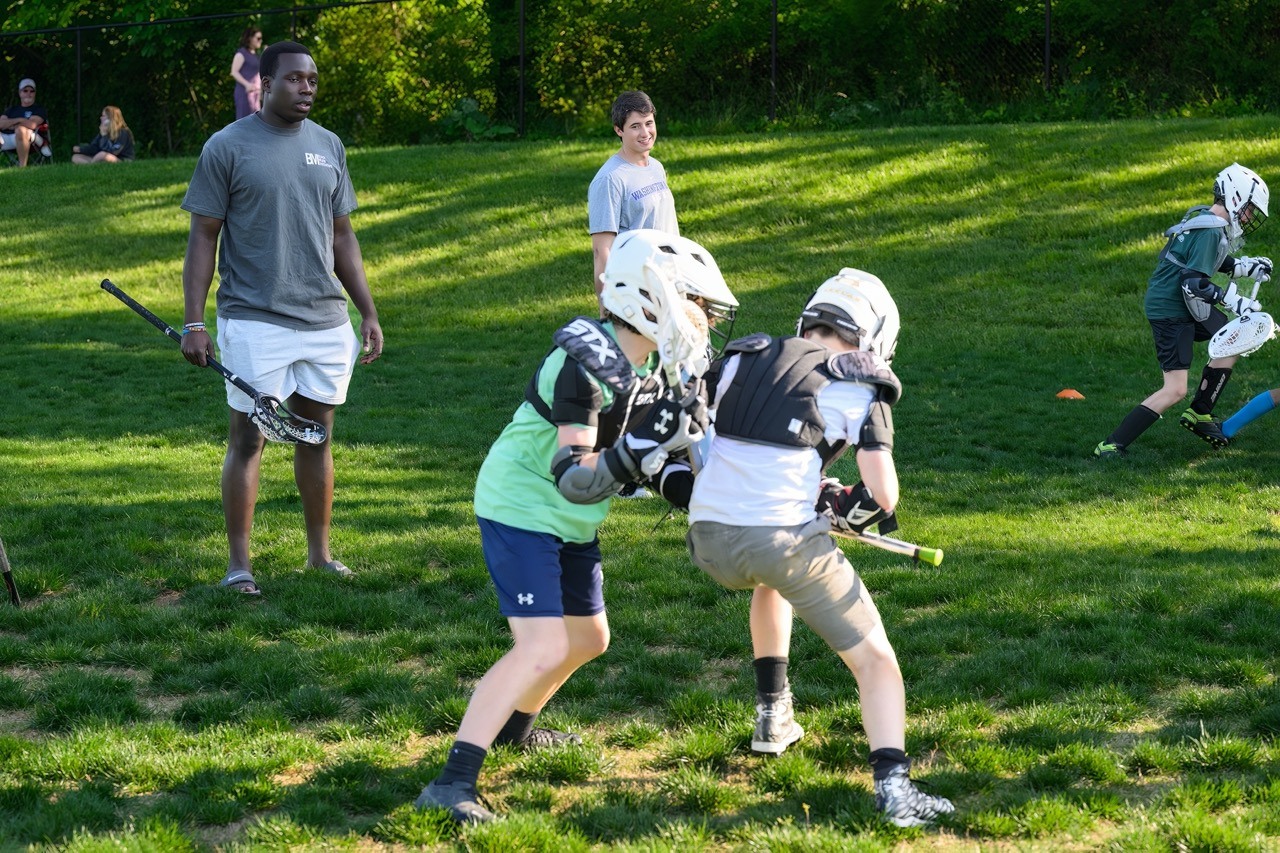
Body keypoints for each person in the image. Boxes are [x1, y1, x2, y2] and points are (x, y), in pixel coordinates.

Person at [413, 230, 727, 825]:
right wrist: (634, 456)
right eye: (697, 304)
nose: (705, 319)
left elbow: (652, 463)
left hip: (572, 519)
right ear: (650, 299)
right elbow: (573, 474)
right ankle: (452, 781)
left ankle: (516, 732)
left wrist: (697, 491)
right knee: (543, 645)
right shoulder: (581, 364)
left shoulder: (656, 366)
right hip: (523, 506)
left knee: (587, 639)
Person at [685, 269, 956, 828]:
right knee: (877, 660)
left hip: (707, 536)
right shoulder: (858, 382)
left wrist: (811, 495)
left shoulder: (744, 355)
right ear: (873, 337)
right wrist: (842, 509)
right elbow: (882, 496)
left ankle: (772, 716)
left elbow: (711, 447)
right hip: (780, 540)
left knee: (769, 582)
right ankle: (896, 792)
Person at [179, 41, 383, 596]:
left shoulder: (329, 147)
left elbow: (343, 236)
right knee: (249, 439)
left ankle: (320, 556)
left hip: (324, 319)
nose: (307, 88)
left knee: (316, 435)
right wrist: (194, 321)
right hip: (254, 318)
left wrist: (366, 310)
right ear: (264, 84)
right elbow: (203, 236)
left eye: (312, 79)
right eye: (295, 79)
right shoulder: (226, 146)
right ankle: (239, 567)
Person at [1093, 163, 1271, 458]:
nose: (1250, 216)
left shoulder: (1207, 221)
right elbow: (1193, 283)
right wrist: (1233, 300)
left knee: (1234, 339)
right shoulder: (1210, 230)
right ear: (1237, 197)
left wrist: (1244, 267)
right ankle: (1111, 444)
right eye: (1250, 208)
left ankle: (1200, 414)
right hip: (1171, 308)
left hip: (1184, 303)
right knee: (1175, 389)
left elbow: (1206, 259)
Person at [588, 91, 678, 312]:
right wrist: (609, 308)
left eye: (649, 123)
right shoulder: (610, 179)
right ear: (619, 130)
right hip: (635, 289)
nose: (645, 132)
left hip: (669, 279)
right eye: (635, 126)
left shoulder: (655, 167)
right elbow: (602, 251)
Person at [0, 78, 50, 167]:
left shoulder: (38, 109)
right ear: (20, 93)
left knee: (21, 130)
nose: (28, 93)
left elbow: (32, 125)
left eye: (32, 91)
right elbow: (1, 124)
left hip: (32, 139)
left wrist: (12, 124)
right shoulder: (11, 110)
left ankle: (22, 167)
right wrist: (20, 120)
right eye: (25, 91)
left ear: (35, 93)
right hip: (7, 139)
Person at [71, 106, 136, 164]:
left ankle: (92, 166)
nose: (101, 118)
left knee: (102, 155)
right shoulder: (103, 131)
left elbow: (113, 152)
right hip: (101, 158)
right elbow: (94, 147)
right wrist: (81, 149)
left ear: (110, 119)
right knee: (76, 157)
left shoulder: (123, 132)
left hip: (121, 160)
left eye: (103, 116)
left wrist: (104, 136)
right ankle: (94, 165)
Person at [231, 26, 264, 120]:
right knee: (244, 122)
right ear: (250, 38)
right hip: (244, 94)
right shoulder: (241, 54)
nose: (260, 41)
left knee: (256, 122)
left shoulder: (255, 55)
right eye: (258, 38)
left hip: (255, 95)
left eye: (261, 39)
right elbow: (234, 72)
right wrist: (247, 85)